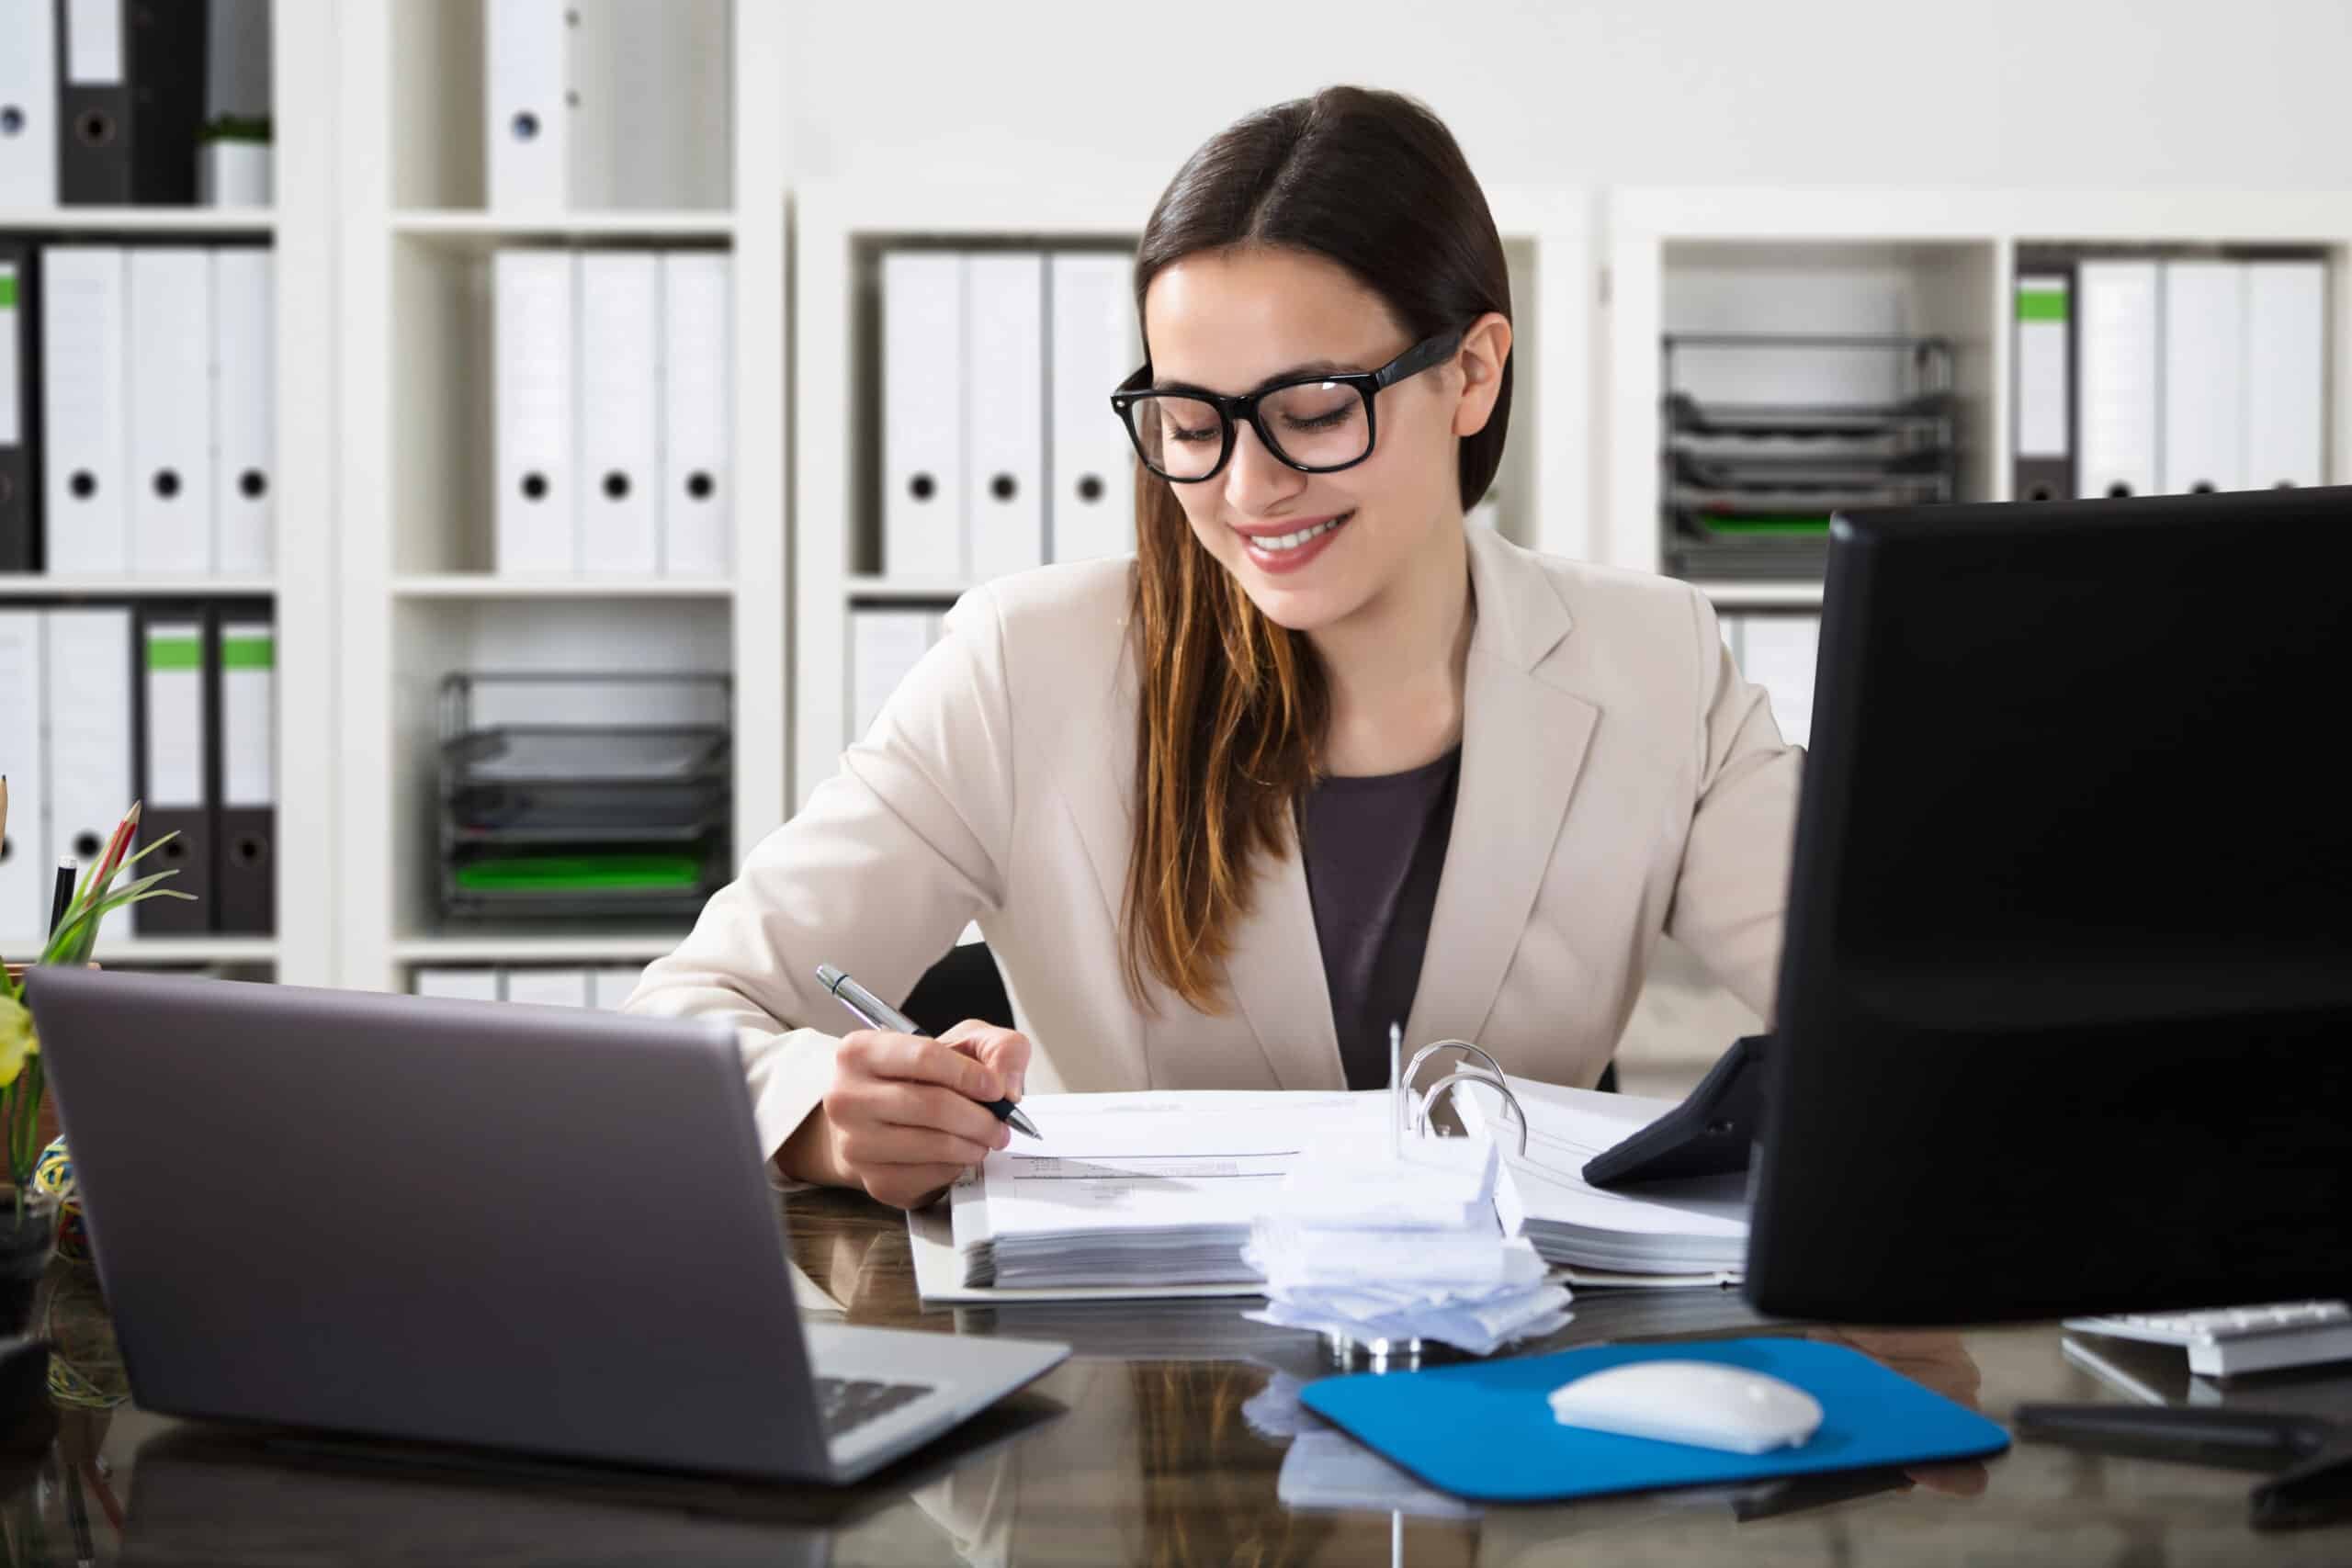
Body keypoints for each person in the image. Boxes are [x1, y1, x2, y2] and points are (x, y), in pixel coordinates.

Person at [628, 85, 1801, 1209]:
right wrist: (823, 1117)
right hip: (1140, 1381)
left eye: (1315, 411)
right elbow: (686, 1010)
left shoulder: (1655, 660)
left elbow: (1878, 1014)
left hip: (1505, 1371)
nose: (1247, 488)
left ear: (1472, 372)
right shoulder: (1023, 667)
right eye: (1191, 423)